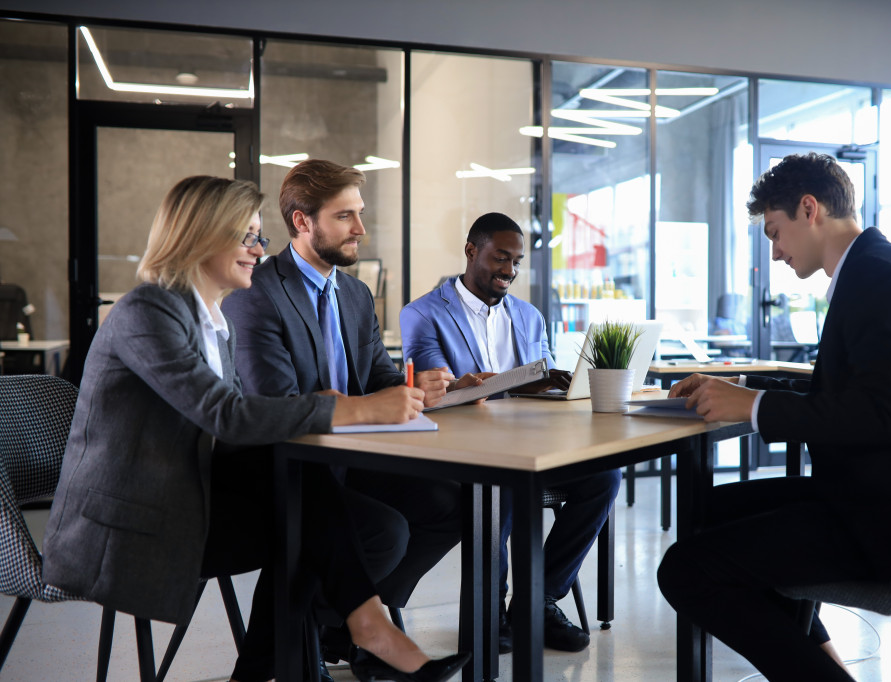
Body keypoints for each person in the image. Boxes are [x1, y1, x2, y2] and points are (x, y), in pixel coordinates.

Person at [41, 176, 469, 682]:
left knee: (317, 508)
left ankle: (345, 635)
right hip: (125, 527)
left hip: (185, 497)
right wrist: (353, 409)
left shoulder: (211, 320)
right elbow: (228, 414)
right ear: (202, 235)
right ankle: (361, 631)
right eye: (247, 237)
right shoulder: (147, 311)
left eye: (259, 237)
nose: (258, 250)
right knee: (312, 518)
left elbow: (241, 426)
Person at [656, 153, 891, 681]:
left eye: (774, 231)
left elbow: (883, 414)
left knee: (684, 571)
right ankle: (824, 660)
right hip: (889, 496)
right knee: (710, 509)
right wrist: (744, 388)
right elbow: (851, 390)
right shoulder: (880, 268)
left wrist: (757, 408)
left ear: (809, 209)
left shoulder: (878, 278)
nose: (775, 251)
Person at [220, 160, 463, 666]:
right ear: (302, 222)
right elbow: (277, 405)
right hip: (289, 468)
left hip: (351, 459)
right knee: (385, 531)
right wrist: (378, 403)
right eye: (345, 216)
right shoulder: (257, 295)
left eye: (360, 214)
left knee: (452, 502)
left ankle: (337, 626)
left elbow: (380, 382)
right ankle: (346, 627)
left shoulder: (354, 294)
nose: (361, 229)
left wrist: (424, 392)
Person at [400, 211, 620, 653]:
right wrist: (468, 386)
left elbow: (536, 381)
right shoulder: (422, 314)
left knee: (603, 477)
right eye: (501, 258)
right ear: (471, 250)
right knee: (498, 493)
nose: (510, 271)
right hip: (467, 454)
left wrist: (552, 383)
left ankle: (537, 601)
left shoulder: (530, 316)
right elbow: (432, 391)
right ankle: (491, 611)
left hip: (530, 447)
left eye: (517, 262)